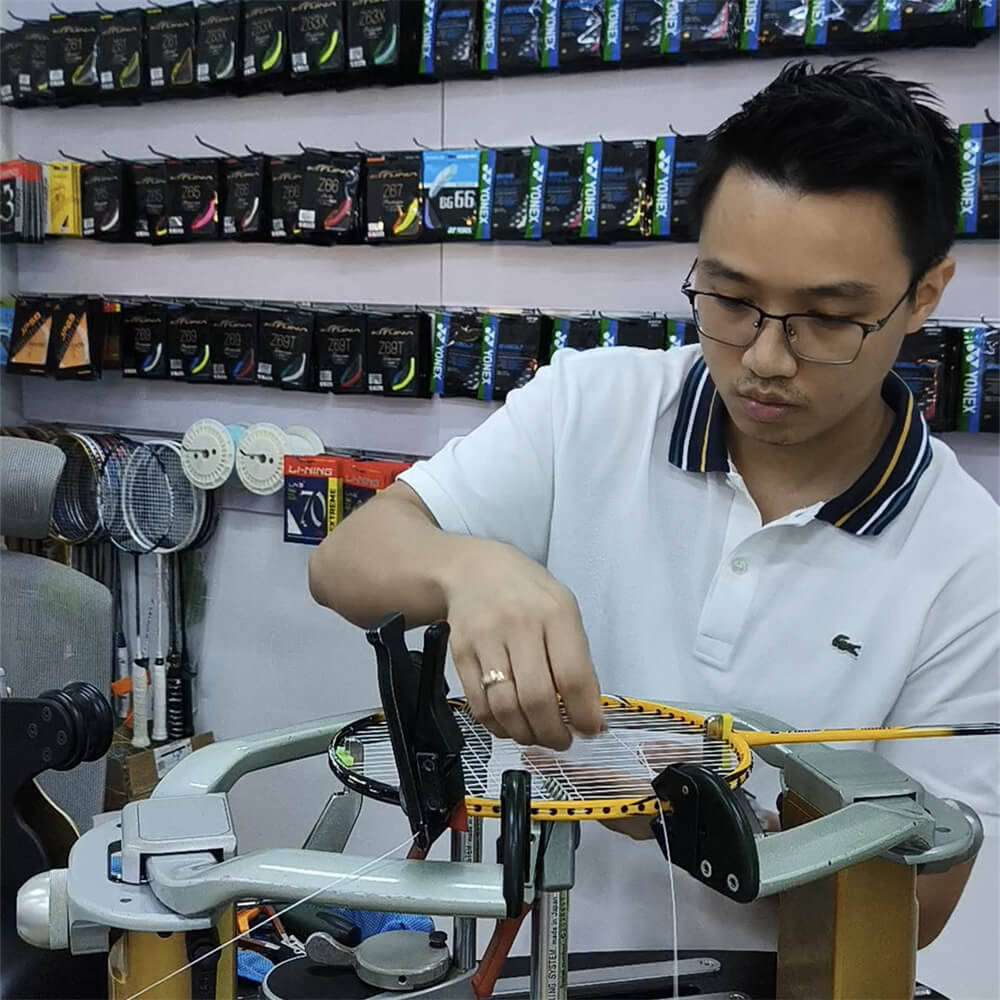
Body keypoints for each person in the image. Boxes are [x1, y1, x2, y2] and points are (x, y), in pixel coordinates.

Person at [310, 61, 999, 955]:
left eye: (829, 318)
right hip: (520, 966)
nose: (767, 359)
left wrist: (689, 819)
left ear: (925, 296)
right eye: (732, 300)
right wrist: (468, 568)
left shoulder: (970, 561)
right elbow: (345, 564)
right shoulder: (592, 406)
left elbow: (915, 911)